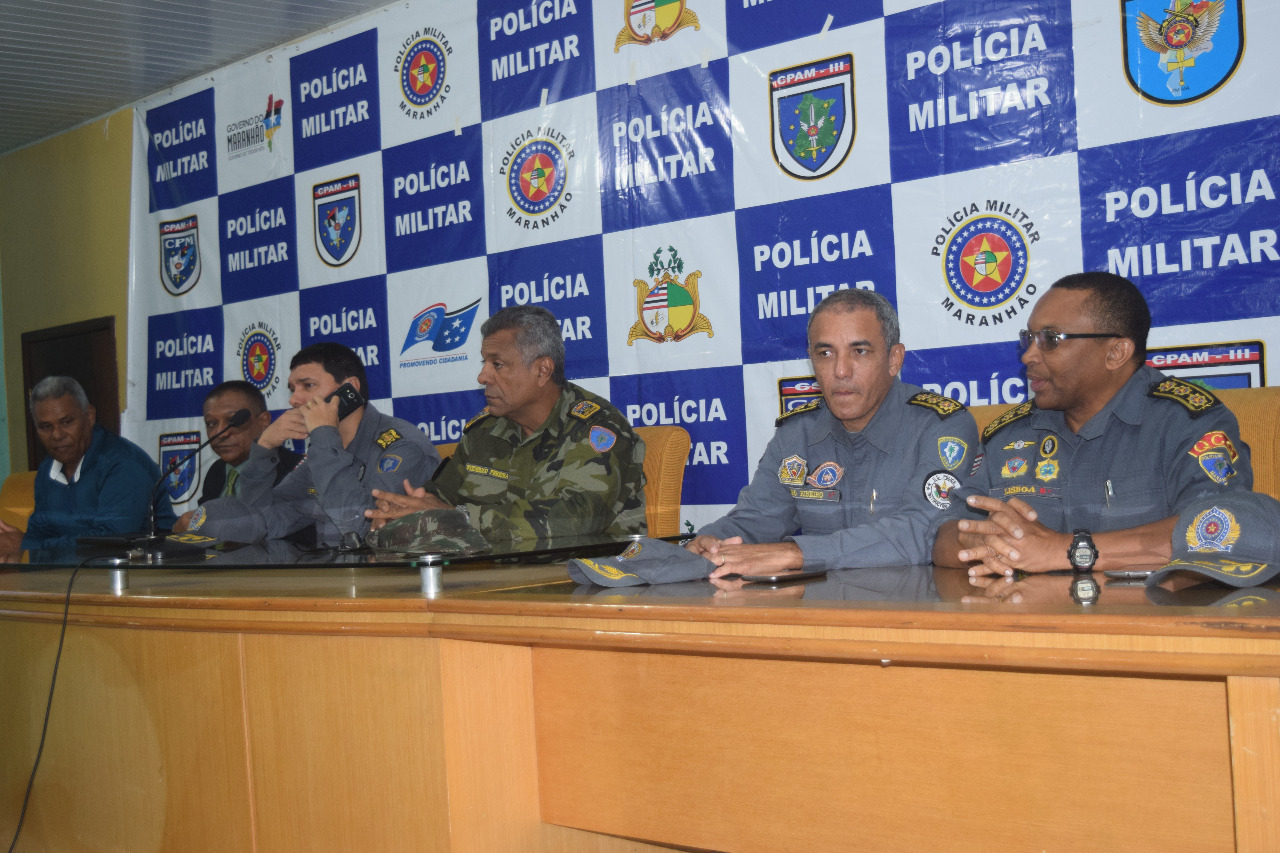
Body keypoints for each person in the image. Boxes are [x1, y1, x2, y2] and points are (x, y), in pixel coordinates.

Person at [933, 271, 1253, 575]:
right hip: (1034, 611)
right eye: (1028, 338)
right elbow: (943, 536)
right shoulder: (1009, 434)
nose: (1028, 355)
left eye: (1050, 339)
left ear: (1115, 352)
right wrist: (975, 541)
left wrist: (1060, 550)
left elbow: (1225, 529)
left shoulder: (1189, 423)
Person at [686, 289, 979, 577]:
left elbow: (925, 531)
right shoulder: (797, 433)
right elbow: (756, 519)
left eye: (859, 351)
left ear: (894, 359)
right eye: (825, 353)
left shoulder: (942, 427)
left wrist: (798, 554)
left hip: (916, 602)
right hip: (819, 605)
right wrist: (711, 541)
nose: (840, 371)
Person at [366, 305, 646, 542]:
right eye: (484, 363)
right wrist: (404, 512)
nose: (482, 376)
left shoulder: (596, 428)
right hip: (489, 578)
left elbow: (578, 519)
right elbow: (440, 498)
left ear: (542, 370)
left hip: (586, 580)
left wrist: (454, 519)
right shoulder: (484, 431)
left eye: (497, 364)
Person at [182, 342, 438, 546]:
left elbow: (361, 532)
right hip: (333, 582)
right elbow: (266, 524)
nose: (294, 400)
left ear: (349, 389)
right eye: (292, 389)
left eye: (308, 386)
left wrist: (324, 434)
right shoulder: (322, 450)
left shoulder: (402, 447)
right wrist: (265, 448)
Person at [7, 376, 175, 550]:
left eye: (66, 422)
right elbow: (39, 532)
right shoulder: (47, 469)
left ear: (89, 416)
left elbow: (109, 542)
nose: (57, 435)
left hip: (141, 566)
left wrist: (26, 546)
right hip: (73, 567)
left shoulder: (122, 464)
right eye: (46, 427)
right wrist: (15, 545)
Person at [197, 380, 302, 504]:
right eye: (211, 423)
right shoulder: (216, 472)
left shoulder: (295, 471)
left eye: (233, 421)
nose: (221, 433)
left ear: (264, 422)